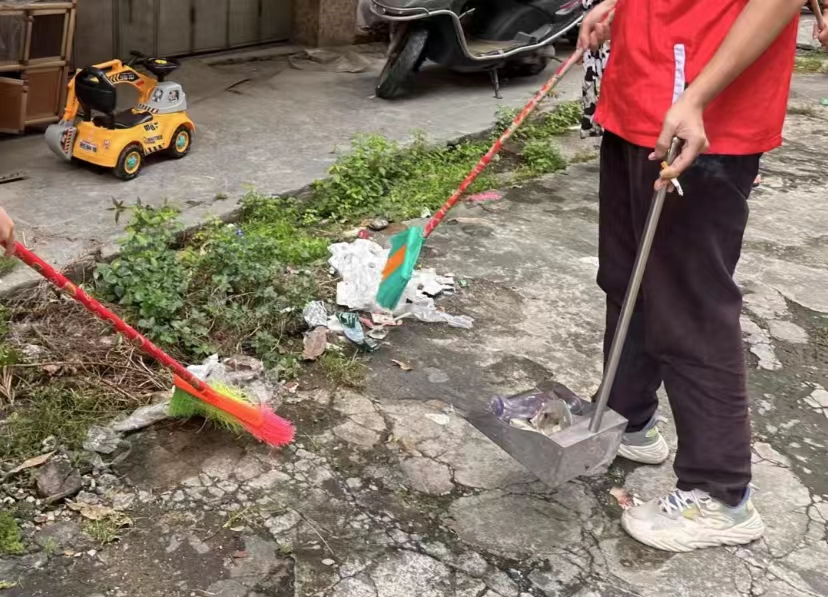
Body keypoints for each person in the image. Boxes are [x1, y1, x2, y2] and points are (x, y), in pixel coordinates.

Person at [578, 0, 802, 552]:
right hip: (640, 97)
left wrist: (697, 95)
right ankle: (626, 417)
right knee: (626, 278)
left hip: (701, 113)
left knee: (689, 303)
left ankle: (719, 492)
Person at [579, 0, 609, 138]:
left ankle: (608, 125)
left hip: (611, 24)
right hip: (592, 17)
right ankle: (594, 123)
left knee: (610, 78)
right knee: (591, 77)